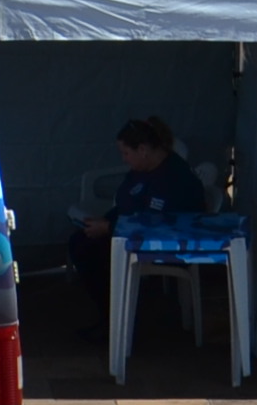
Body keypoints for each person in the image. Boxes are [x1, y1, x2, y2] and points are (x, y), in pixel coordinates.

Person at [67, 117, 210, 284]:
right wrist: (104, 221)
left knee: (87, 250)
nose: (124, 159)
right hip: (132, 232)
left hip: (164, 244)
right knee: (80, 240)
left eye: (126, 153)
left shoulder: (173, 178)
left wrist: (109, 227)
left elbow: (156, 225)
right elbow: (126, 204)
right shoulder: (143, 169)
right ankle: (115, 297)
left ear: (142, 150)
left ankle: (119, 298)